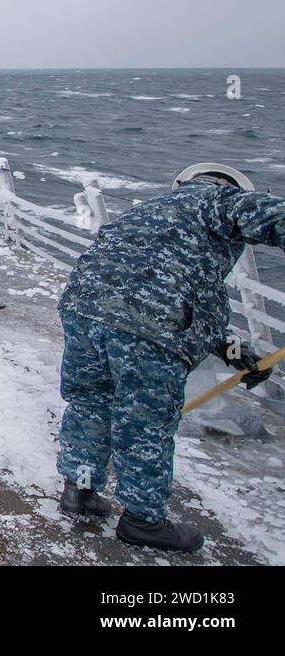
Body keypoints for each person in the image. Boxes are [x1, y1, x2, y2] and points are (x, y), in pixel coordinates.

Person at [56, 164, 284, 552]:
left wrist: (235, 354)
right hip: (149, 328)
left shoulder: (149, 209)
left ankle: (80, 491)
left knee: (90, 403)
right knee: (144, 420)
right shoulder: (220, 199)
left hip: (84, 310)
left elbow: (174, 291)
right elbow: (273, 217)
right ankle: (143, 521)